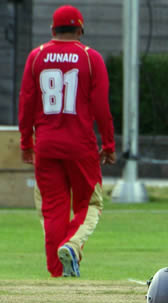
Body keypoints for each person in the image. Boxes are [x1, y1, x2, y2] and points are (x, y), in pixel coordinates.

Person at [18, 5, 116, 277]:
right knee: (91, 205)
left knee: (52, 210)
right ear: (80, 30)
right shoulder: (89, 57)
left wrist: (26, 143)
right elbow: (101, 107)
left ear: (52, 30)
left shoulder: (36, 57)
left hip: (46, 145)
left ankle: (57, 273)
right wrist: (108, 145)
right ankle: (72, 245)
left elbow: (26, 102)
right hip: (81, 146)